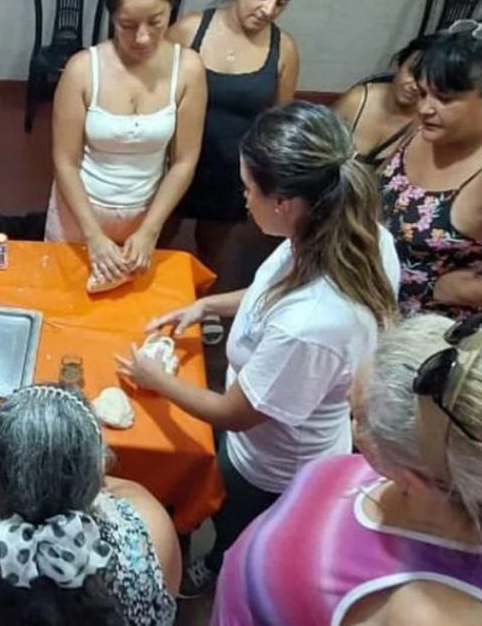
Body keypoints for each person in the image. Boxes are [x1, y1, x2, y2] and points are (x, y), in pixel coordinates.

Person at [117, 101, 401, 596]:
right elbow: (272, 292)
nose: (243, 199)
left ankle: (222, 568)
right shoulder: (349, 233)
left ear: (284, 203)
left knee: (241, 530)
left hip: (270, 465)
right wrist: (205, 309)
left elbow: (236, 413)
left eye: (249, 189)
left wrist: (156, 379)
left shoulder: (312, 324)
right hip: (283, 424)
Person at [214, 313, 482, 625]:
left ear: (415, 479)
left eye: (356, 414)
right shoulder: (441, 466)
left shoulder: (429, 614)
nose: (345, 402)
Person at [0, 384, 179, 625]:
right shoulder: (149, 532)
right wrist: (65, 462)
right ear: (97, 471)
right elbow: (122, 488)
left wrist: (19, 461)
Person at [46, 0, 206, 284]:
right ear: (111, 16)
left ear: (171, 11)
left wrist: (150, 229)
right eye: (127, 24)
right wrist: (93, 235)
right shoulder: (82, 70)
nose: (143, 36)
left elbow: (183, 161)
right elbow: (65, 161)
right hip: (79, 214)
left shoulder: (188, 69)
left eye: (155, 22)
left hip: (144, 215)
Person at [165, 0, 311, 303]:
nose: (268, 9)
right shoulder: (189, 31)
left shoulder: (284, 50)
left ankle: (197, 311)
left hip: (232, 176)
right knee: (157, 242)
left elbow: (277, 126)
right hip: (175, 165)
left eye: (282, 1)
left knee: (210, 254)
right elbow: (154, 91)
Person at [380, 9, 482, 320]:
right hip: (370, 309)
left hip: (422, 340)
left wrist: (464, 291)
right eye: (424, 92)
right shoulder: (432, 126)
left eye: (444, 98)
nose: (425, 108)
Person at [334, 34, 436, 167]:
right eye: (412, 72)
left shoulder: (425, 124)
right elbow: (312, 144)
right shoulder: (357, 100)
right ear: (398, 66)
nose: (415, 86)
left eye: (428, 80)